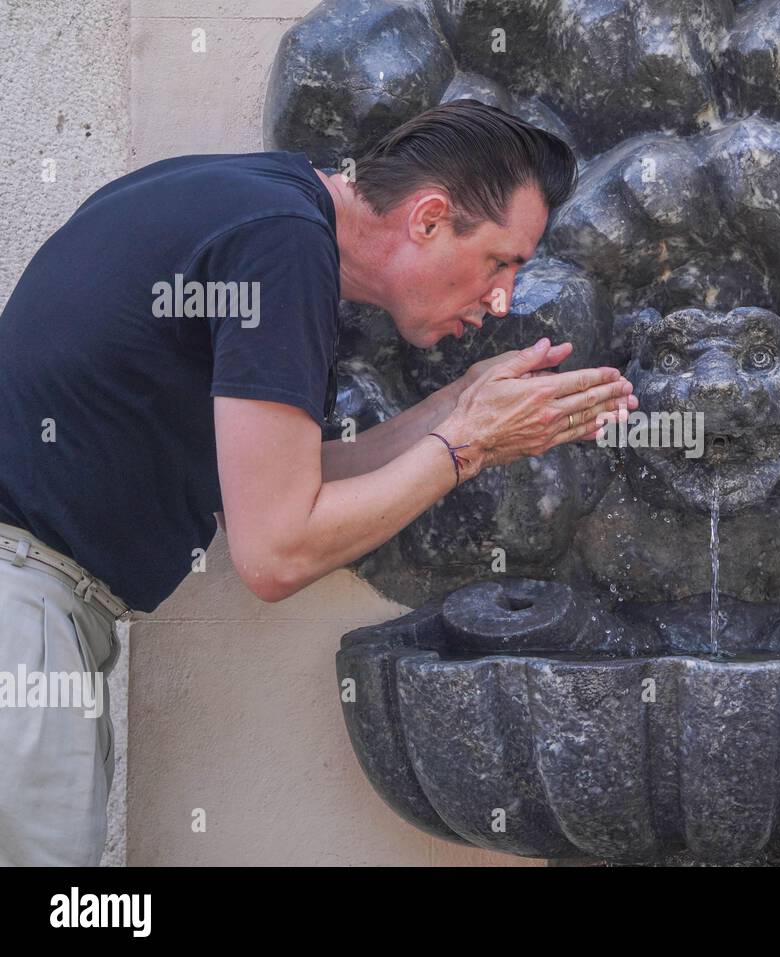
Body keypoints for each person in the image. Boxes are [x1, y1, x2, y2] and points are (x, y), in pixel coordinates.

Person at [0, 100, 638, 865]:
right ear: (429, 217)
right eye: (502, 262)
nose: (502, 297)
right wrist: (464, 444)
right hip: (21, 619)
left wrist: (460, 406)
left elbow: (281, 489)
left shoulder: (266, 211)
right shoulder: (284, 246)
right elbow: (275, 552)